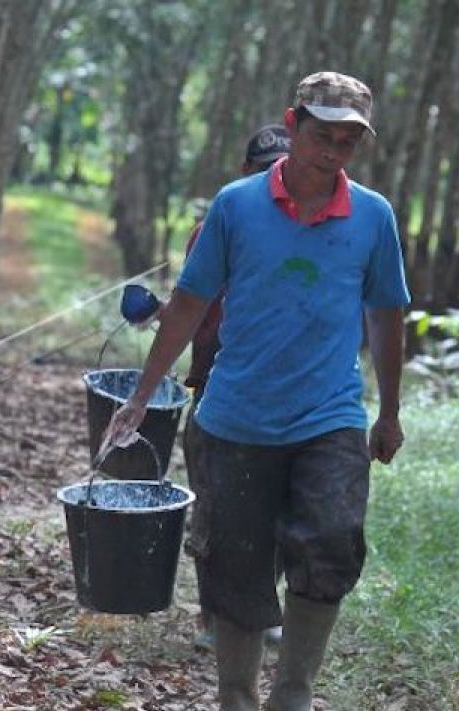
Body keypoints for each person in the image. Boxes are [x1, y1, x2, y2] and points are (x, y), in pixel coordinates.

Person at [101, 72, 408, 711]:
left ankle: (293, 698)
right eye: (323, 134)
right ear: (292, 123)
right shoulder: (235, 207)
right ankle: (236, 703)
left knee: (331, 538)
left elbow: (387, 314)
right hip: (236, 415)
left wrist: (389, 410)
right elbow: (188, 302)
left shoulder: (374, 217)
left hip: (329, 415)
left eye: (349, 140)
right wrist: (147, 389)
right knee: (236, 561)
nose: (333, 150)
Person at [184, 123, 292, 654]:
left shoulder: (310, 232)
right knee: (214, 502)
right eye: (263, 165)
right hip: (214, 384)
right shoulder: (218, 224)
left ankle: (260, 606)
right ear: (246, 172)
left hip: (282, 392)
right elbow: (195, 303)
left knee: (273, 503)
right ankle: (212, 614)